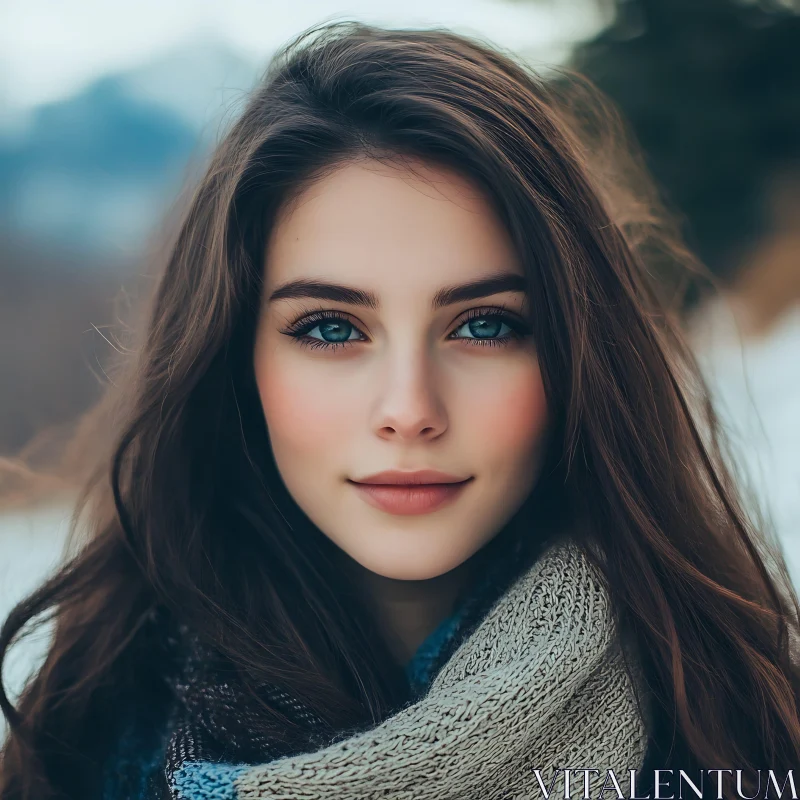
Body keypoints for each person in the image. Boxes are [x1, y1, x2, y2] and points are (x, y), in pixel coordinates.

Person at [1, 20, 799, 800]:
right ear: (234, 364)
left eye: (486, 325)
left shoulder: (742, 732)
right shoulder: (82, 738)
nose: (409, 410)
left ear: (576, 356)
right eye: (330, 328)